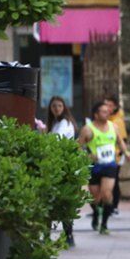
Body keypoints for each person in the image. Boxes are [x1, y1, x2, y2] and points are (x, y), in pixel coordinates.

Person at [77, 101, 130, 235]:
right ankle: (96, 213)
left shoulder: (113, 127)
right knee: (94, 197)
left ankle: (104, 224)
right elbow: (78, 147)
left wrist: (126, 152)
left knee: (107, 194)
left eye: (107, 110)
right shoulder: (88, 129)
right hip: (94, 166)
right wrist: (88, 155)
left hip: (110, 165)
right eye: (103, 111)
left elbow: (120, 142)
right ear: (96, 115)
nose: (107, 112)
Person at [46, 96, 79, 246]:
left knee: (63, 200)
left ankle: (68, 234)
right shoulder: (54, 123)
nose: (57, 109)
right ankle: (54, 235)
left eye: (59, 106)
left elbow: (56, 140)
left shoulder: (65, 123)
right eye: (54, 106)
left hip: (63, 165)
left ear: (64, 107)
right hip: (55, 164)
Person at [104, 96, 128, 216]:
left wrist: (120, 154)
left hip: (116, 155)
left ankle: (114, 206)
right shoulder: (109, 118)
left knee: (114, 180)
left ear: (115, 106)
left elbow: (122, 139)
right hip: (107, 154)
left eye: (110, 105)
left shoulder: (118, 120)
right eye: (106, 105)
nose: (107, 108)